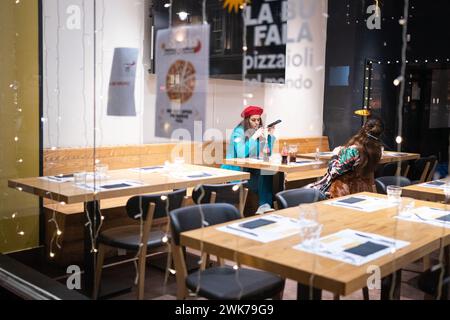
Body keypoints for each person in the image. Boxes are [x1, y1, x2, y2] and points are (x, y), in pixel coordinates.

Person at [307, 117, 385, 198]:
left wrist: (335, 154)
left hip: (343, 191)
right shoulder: (376, 151)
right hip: (362, 190)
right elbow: (370, 175)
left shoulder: (354, 150)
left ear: (363, 128)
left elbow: (333, 172)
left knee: (307, 190)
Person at [221, 105, 276, 214]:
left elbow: (267, 153)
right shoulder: (239, 132)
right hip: (235, 170)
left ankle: (266, 205)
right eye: (253, 120)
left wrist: (270, 136)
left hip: (249, 169)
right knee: (264, 173)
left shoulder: (256, 132)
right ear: (247, 120)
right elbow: (241, 153)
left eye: (258, 119)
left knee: (268, 171)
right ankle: (264, 204)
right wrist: (254, 137)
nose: (256, 122)